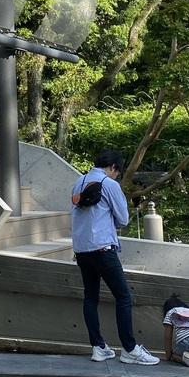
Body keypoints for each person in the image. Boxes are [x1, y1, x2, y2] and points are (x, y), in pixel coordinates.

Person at [71, 149, 158, 365]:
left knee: (91, 297)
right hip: (102, 248)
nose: (117, 175)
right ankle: (129, 349)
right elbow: (123, 218)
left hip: (81, 250)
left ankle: (98, 347)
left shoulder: (78, 182)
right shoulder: (109, 184)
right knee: (123, 296)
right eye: (117, 172)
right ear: (113, 167)